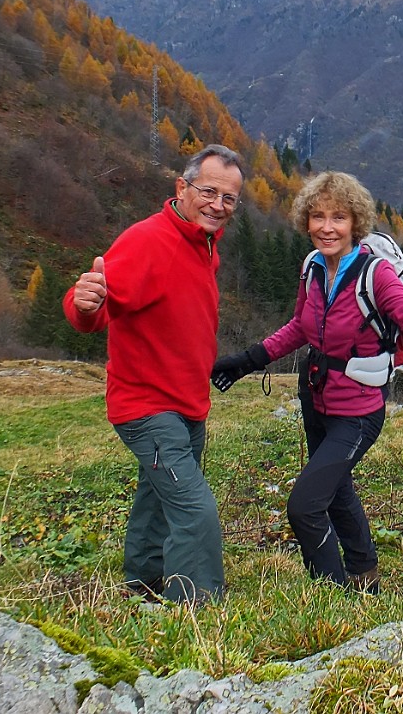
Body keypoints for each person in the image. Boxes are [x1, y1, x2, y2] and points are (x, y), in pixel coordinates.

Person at [213, 171, 403, 592]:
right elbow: (300, 326)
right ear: (305, 221)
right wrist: (248, 360)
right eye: (317, 216)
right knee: (336, 487)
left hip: (358, 411)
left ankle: (332, 594)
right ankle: (365, 574)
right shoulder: (313, 267)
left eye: (338, 217)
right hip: (315, 399)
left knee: (306, 506)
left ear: (356, 223)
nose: (326, 227)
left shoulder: (376, 274)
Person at [62, 143, 244, 606]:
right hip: (147, 407)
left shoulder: (204, 245)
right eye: (208, 192)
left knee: (157, 497)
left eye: (229, 199)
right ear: (182, 188)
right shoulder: (148, 240)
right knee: (194, 508)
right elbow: (95, 304)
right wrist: (83, 305)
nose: (217, 206)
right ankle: (195, 609)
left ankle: (142, 585)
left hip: (187, 403)